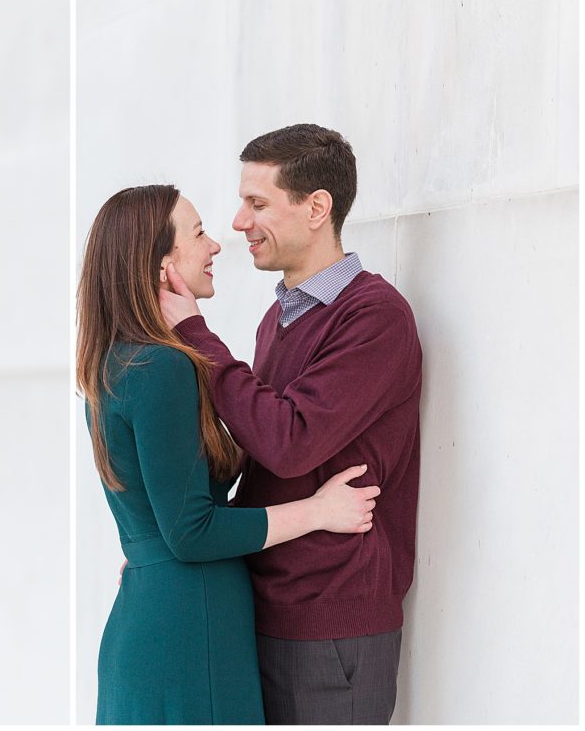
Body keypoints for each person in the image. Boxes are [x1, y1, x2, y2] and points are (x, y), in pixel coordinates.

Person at [77, 184, 382, 724]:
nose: (215, 245)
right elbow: (191, 532)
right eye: (197, 234)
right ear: (160, 265)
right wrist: (318, 512)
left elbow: (172, 508)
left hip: (162, 610)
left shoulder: (118, 363)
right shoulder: (161, 368)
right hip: (190, 625)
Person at [159, 124, 422, 724]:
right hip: (267, 606)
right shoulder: (278, 318)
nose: (238, 222)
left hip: (332, 623)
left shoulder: (375, 318)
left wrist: (196, 335)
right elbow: (257, 458)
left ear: (316, 208)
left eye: (257, 204)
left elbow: (287, 442)